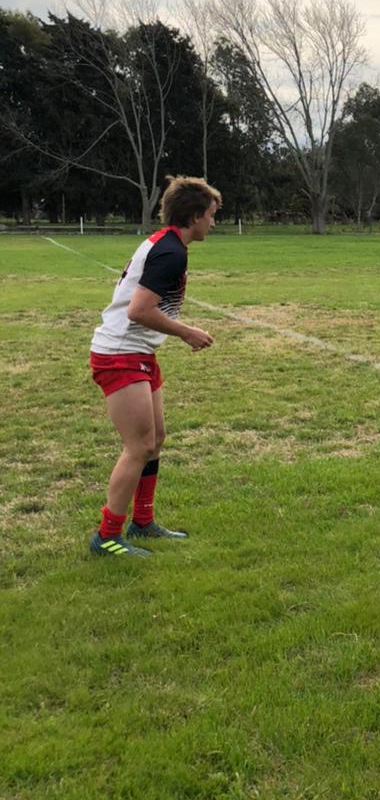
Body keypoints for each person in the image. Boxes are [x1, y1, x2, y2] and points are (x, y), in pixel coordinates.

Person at [88, 175, 222, 557]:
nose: (213, 222)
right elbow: (139, 310)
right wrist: (186, 332)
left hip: (140, 354)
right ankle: (107, 536)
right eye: (211, 215)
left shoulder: (168, 244)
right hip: (120, 354)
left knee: (156, 440)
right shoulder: (171, 252)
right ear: (195, 216)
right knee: (139, 445)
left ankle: (143, 522)